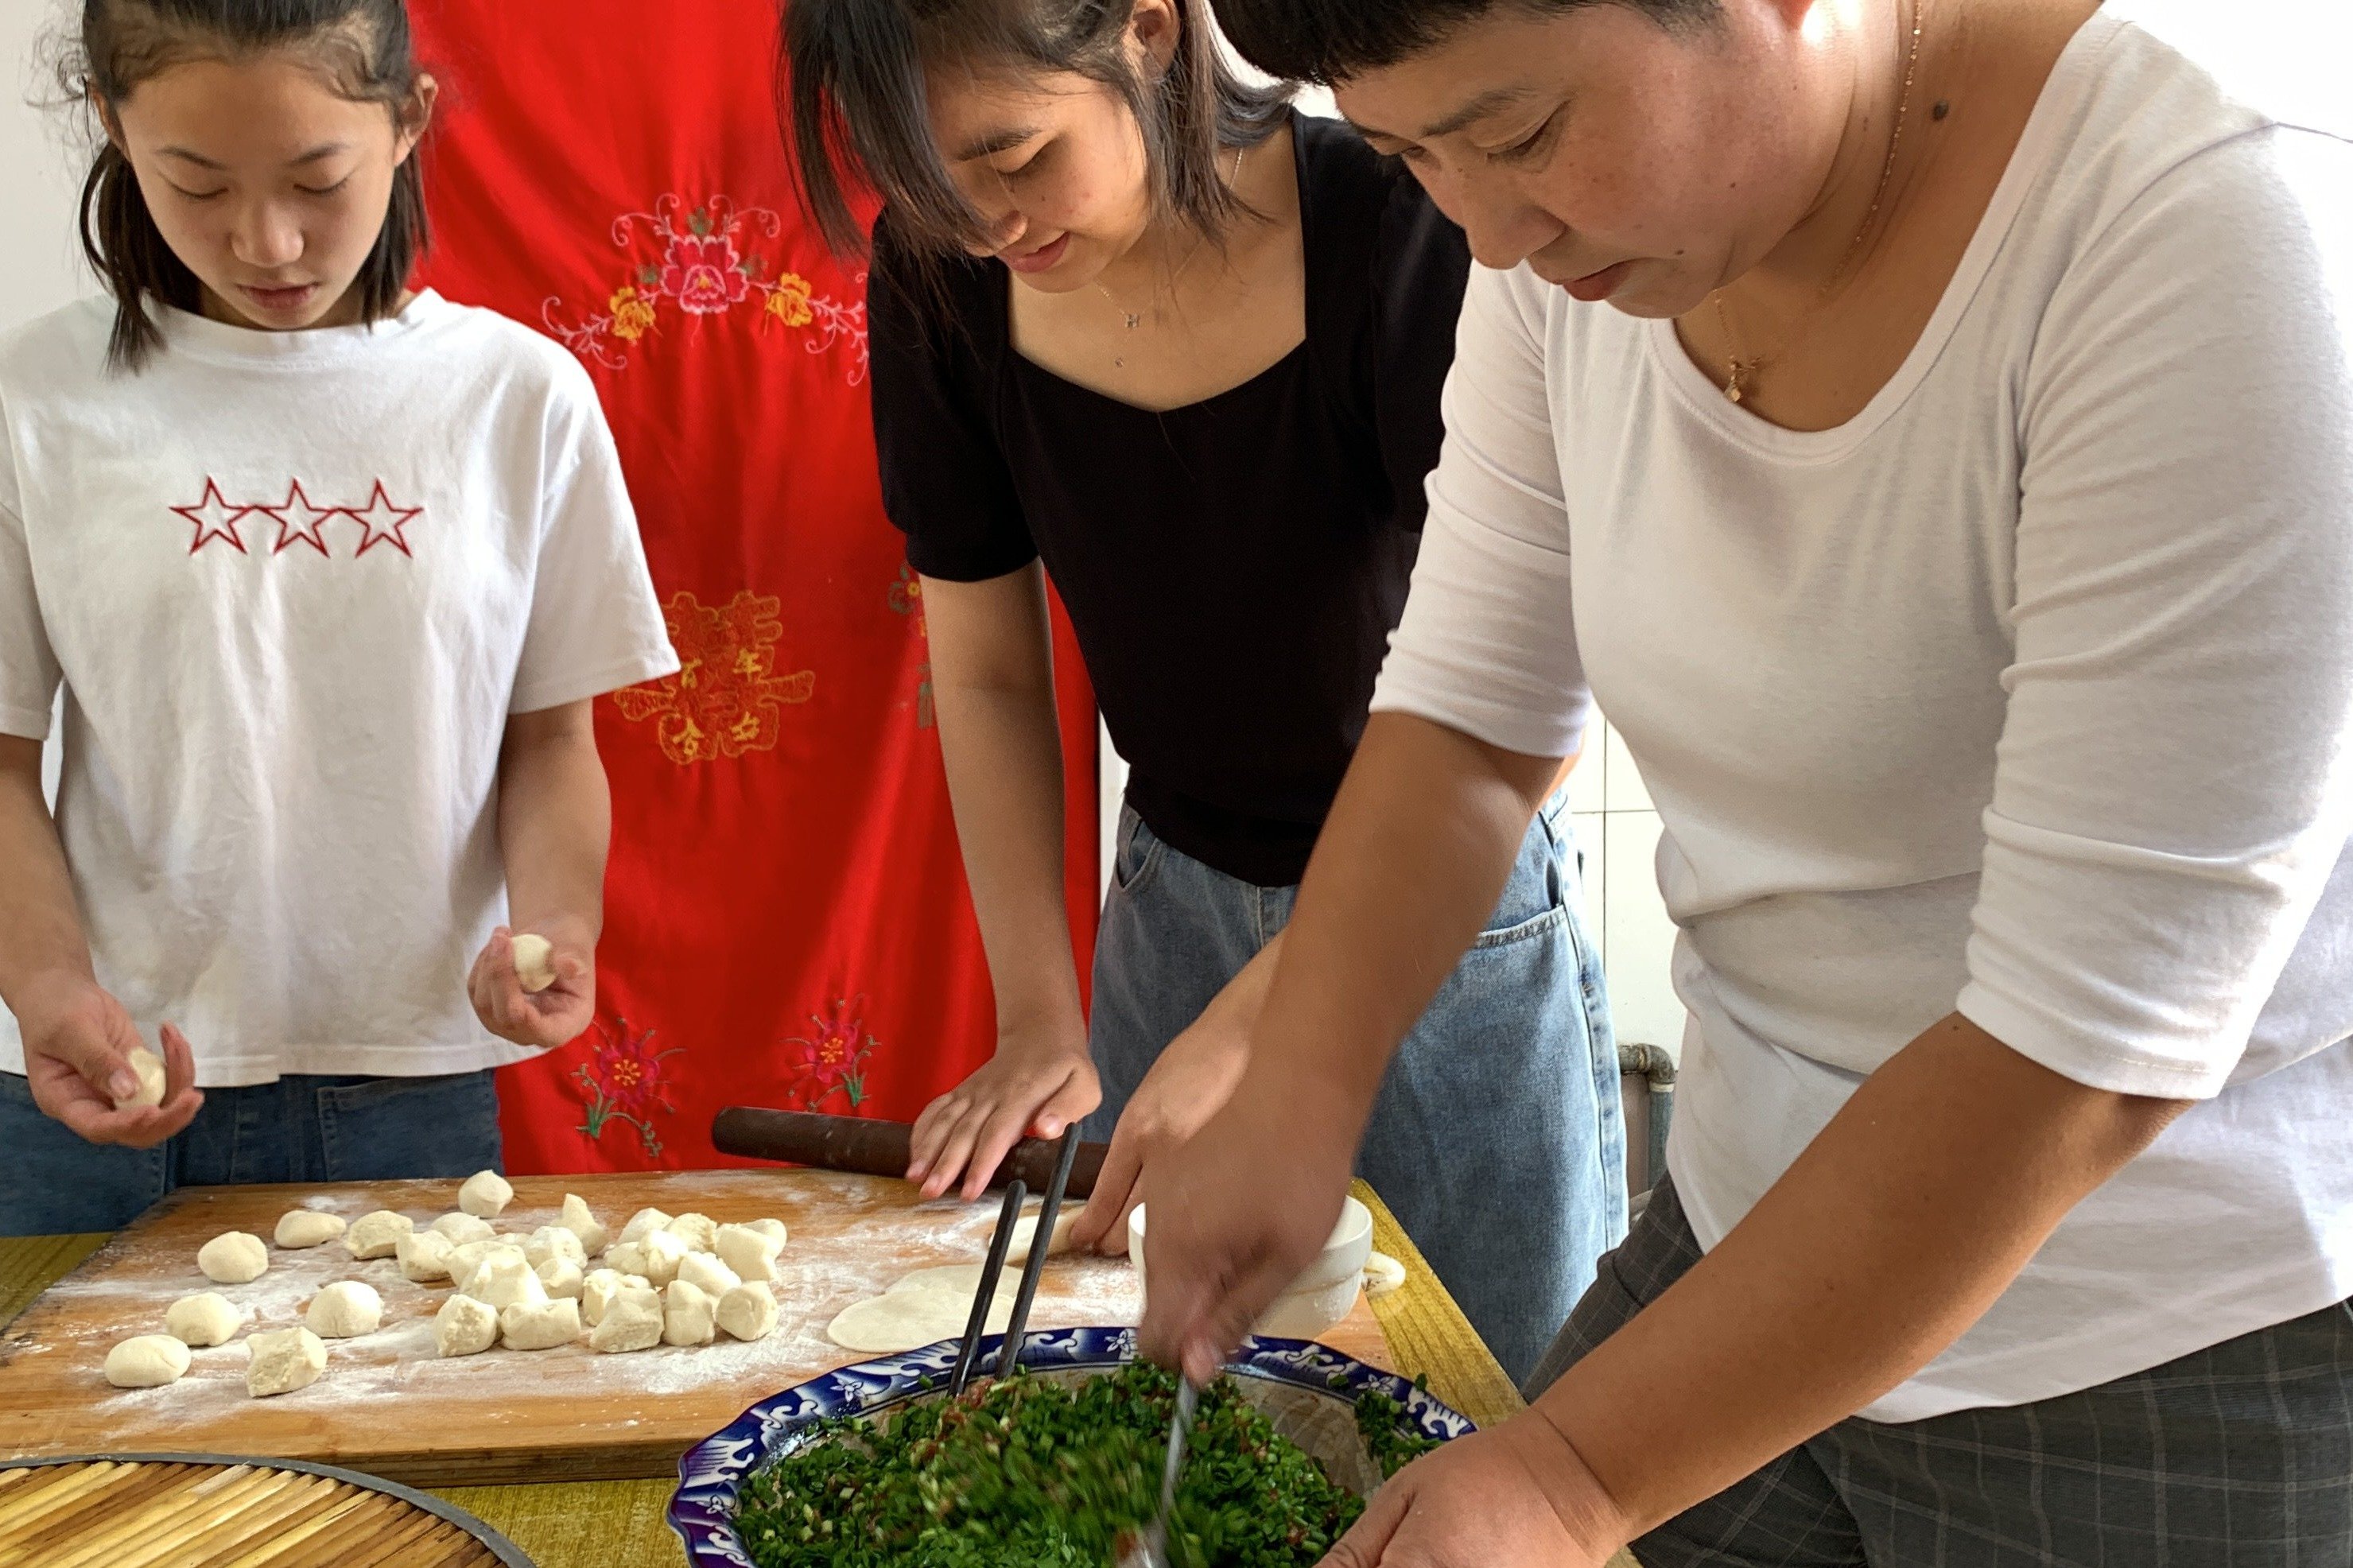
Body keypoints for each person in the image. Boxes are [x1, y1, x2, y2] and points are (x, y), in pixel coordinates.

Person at [1137, 0, 2353, 1562]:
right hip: (1750, 1214)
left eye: (1514, 133)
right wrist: (1301, 1088)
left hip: (2158, 1338)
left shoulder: (2207, 222)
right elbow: (1470, 714)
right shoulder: (1576, 254)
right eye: (1404, 151)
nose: (1488, 233)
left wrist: (1568, 1475)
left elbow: (2086, 1050)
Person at [782, 0, 1625, 1381]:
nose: (989, 222)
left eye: (1016, 154)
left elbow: (1538, 706)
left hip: (1449, 930)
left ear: (1149, 33)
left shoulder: (1389, 222)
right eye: (932, 184)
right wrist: (1041, 1018)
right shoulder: (939, 279)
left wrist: (1261, 1039)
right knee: (1182, 1414)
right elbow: (990, 671)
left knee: (1496, 1419)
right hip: (1170, 917)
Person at [0, 0, 678, 1236]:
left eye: (319, 178)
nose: (268, 241)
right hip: (94, 1085)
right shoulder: (34, 398)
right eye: (195, 183)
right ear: (110, 123)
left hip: (409, 1089)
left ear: (408, 121)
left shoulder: (516, 399)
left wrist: (558, 930)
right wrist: (49, 990)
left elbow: (549, 739)